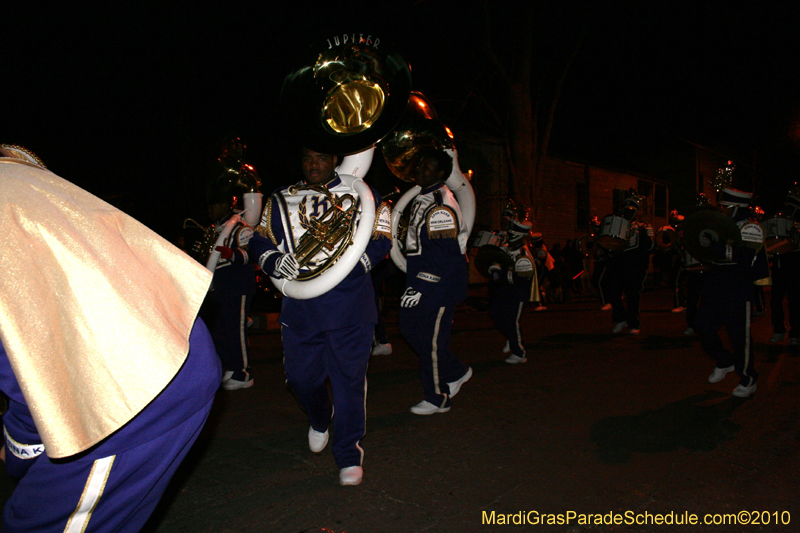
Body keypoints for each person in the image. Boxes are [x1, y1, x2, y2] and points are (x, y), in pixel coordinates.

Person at [0, 145, 220, 531]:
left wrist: (18, 451)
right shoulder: (18, 175)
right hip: (171, 351)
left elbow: (26, 375)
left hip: (128, 394)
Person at [245, 147, 391, 486]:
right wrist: (271, 260)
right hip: (301, 306)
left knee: (348, 383)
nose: (313, 164)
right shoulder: (281, 198)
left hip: (350, 303)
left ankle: (349, 453)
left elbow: (382, 238)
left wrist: (350, 269)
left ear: (336, 159)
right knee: (300, 379)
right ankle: (319, 415)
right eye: (307, 157)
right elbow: (259, 238)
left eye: (322, 157)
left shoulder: (363, 194)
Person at [398, 148, 472, 415]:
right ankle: (456, 370)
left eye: (427, 167)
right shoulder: (425, 196)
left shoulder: (440, 204)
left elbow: (443, 255)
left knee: (430, 341)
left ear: (441, 174)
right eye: (420, 166)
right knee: (409, 329)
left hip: (439, 285)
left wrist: (421, 287)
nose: (419, 170)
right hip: (422, 279)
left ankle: (438, 397)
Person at [696, 186, 769, 397]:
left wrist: (715, 246)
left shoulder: (750, 227)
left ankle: (749, 378)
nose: (721, 209)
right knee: (702, 325)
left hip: (738, 288)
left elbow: (745, 257)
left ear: (737, 207)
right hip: (716, 285)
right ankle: (725, 361)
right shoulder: (722, 225)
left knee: (739, 337)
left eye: (725, 206)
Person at [200, 163, 260, 390]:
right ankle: (233, 367)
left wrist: (230, 253)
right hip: (220, 287)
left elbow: (249, 254)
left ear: (226, 204)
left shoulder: (239, 227)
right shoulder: (213, 229)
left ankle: (244, 373)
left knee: (234, 331)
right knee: (217, 331)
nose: (211, 209)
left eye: (215, 205)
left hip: (237, 285)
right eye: (210, 205)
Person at [487, 203, 536, 364]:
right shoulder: (510, 249)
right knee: (496, 315)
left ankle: (519, 352)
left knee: (511, 321)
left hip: (517, 294)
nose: (508, 234)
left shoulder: (523, 254)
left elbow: (520, 279)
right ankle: (512, 337)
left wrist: (499, 272)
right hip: (506, 291)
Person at [602, 191, 654, 335]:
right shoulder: (617, 223)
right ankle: (620, 319)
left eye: (631, 210)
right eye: (626, 209)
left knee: (632, 295)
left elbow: (651, 247)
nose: (628, 212)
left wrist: (644, 234)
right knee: (613, 292)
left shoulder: (643, 226)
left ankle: (633, 323)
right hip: (619, 264)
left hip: (635, 265)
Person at [767, 187, 800, 346]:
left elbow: (792, 245)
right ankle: (779, 330)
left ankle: (795, 333)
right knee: (776, 300)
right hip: (780, 265)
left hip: (794, 266)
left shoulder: (797, 223)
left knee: (794, 301)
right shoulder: (782, 221)